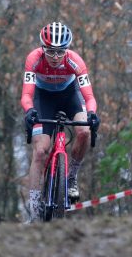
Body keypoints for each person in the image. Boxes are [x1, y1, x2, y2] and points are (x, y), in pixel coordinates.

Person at [20, 22, 100, 222]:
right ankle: (35, 207)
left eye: (60, 52)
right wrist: (29, 111)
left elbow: (89, 97)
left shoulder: (75, 61)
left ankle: (71, 177)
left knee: (84, 131)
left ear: (67, 49)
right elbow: (27, 95)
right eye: (51, 51)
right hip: (43, 99)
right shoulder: (34, 59)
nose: (56, 57)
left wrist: (91, 113)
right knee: (40, 151)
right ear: (42, 48)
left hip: (69, 96)